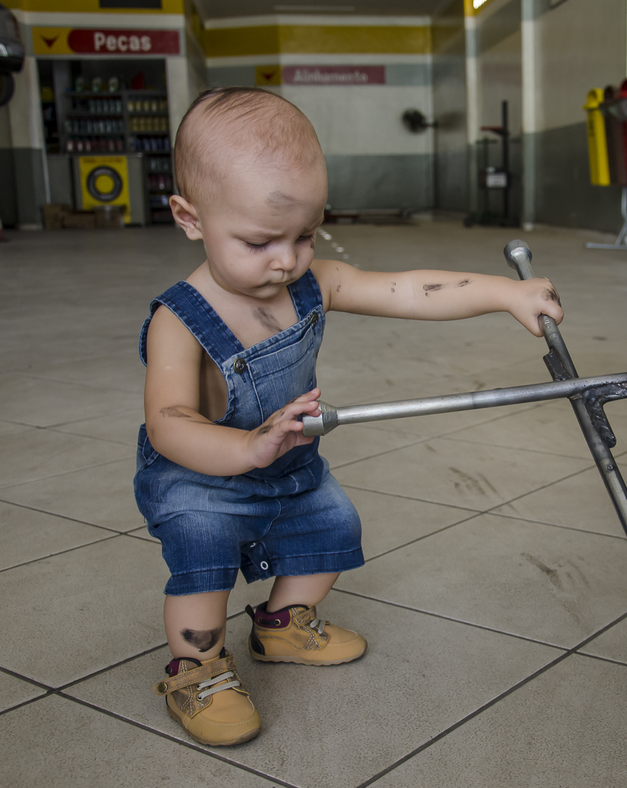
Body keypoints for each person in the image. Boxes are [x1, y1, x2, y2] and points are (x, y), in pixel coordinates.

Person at [135, 87, 564, 747]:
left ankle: (280, 628)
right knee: (203, 562)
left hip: (291, 461)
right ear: (190, 218)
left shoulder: (312, 282)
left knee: (332, 530)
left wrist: (503, 292)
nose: (286, 260)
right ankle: (196, 668)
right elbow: (167, 421)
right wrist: (245, 449)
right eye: (257, 241)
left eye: (304, 235)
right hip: (204, 473)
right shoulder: (180, 318)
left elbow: (406, 290)